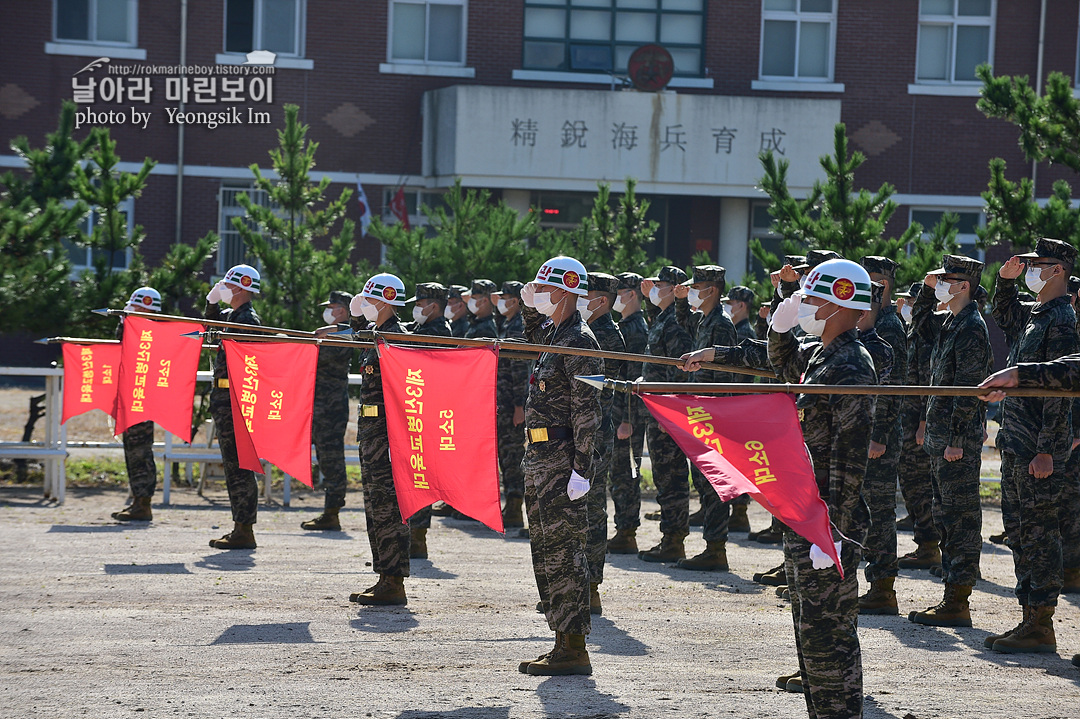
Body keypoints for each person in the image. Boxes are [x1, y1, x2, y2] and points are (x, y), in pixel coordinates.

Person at [768, 258, 876, 719]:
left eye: (811, 300)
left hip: (829, 520)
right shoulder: (822, 354)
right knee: (811, 636)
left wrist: (830, 528)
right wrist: (779, 325)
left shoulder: (850, 364)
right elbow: (781, 364)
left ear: (840, 305)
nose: (805, 307)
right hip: (807, 510)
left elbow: (849, 459)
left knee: (829, 635)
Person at [983, 239, 1080, 653]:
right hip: (1018, 440)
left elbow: (1061, 392)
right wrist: (1004, 283)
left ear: (1057, 270)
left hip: (1038, 447)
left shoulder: (1061, 320)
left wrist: (1048, 449)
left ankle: (1041, 622)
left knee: (1040, 533)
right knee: (1020, 530)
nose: (1031, 270)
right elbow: (1003, 315)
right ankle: (1029, 619)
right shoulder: (1036, 314)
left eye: (1038, 265)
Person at [516, 256, 602, 676]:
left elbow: (587, 412)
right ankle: (559, 639)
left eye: (545, 290)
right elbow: (530, 337)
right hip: (539, 458)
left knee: (565, 553)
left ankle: (574, 646)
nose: (540, 296)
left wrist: (582, 470)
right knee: (545, 552)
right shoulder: (555, 333)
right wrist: (530, 305)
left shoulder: (581, 341)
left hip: (562, 459)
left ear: (567, 291)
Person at [907, 255, 993, 628]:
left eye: (946, 280)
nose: (939, 283)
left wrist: (956, 437)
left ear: (964, 287)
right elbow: (919, 330)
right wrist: (926, 293)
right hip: (942, 437)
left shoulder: (971, 326)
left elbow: (967, 390)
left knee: (960, 520)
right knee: (945, 515)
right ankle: (951, 596)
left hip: (956, 441)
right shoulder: (951, 321)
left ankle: (958, 601)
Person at [348, 273, 412, 606]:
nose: (365, 306)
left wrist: (397, 443)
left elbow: (404, 394)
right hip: (372, 434)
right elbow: (355, 330)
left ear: (385, 301)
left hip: (388, 436)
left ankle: (395, 580)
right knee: (375, 506)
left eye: (369, 300)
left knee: (389, 507)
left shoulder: (396, 338)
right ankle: (384, 576)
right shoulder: (376, 334)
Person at [673, 265, 738, 571]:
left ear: (711, 290)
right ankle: (712, 546)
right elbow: (684, 323)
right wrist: (681, 301)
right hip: (703, 409)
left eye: (697, 287)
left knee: (714, 483)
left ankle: (716, 549)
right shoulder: (705, 320)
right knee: (704, 479)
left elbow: (723, 371)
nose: (693, 291)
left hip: (715, 411)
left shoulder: (722, 324)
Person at [858, 257, 908, 616]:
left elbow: (891, 389)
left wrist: (879, 435)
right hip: (865, 433)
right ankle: (874, 583)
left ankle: (882, 588)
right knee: (866, 509)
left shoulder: (888, 327)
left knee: (878, 511)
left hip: (881, 436)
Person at [638, 266, 694, 563]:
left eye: (660, 285)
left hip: (667, 410)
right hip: (656, 408)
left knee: (672, 476)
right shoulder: (664, 317)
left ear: (674, 288)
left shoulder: (675, 322)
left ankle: (675, 540)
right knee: (663, 474)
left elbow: (679, 370)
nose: (654, 288)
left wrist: (670, 411)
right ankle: (669, 537)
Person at [205, 265, 263, 550]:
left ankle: (245, 528)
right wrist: (211, 305)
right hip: (225, 400)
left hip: (238, 402)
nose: (223, 288)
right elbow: (209, 332)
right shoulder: (231, 317)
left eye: (227, 285)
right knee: (232, 464)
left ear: (241, 288)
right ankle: (240, 525)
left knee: (240, 465)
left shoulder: (247, 320)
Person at [578, 272, 625, 614]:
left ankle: (591, 586)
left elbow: (604, 393)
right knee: (576, 509)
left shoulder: (606, 335)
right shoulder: (581, 331)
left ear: (602, 300)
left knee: (592, 508)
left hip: (595, 433)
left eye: (587, 294)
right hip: (579, 429)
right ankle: (575, 584)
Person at [893, 282, 943, 570]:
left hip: (917, 426)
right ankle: (925, 545)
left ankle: (929, 546)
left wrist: (924, 423)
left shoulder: (925, 336)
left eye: (910, 301)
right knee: (912, 487)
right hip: (907, 422)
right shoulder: (911, 333)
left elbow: (928, 382)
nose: (905, 305)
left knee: (921, 487)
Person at [401, 282, 453, 556]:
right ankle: (410, 534)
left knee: (421, 478)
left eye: (420, 304)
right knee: (412, 476)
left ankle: (418, 538)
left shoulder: (438, 332)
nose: (416, 308)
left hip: (428, 415)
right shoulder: (422, 327)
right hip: (415, 411)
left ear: (433, 306)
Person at [301, 291, 355, 532]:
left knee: (332, 459)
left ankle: (332, 512)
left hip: (331, 408)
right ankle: (329, 512)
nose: (328, 311)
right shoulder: (331, 333)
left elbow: (316, 356)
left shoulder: (345, 334)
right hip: (319, 405)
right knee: (324, 459)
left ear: (342, 310)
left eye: (332, 307)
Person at [110, 287, 163, 523]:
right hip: (132, 395)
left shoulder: (154, 330)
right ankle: (138, 501)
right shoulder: (134, 326)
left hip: (143, 397)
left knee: (140, 450)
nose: (132, 311)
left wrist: (126, 325)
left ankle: (143, 503)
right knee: (132, 449)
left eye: (137, 307)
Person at [608, 272, 648, 554]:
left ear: (631, 294)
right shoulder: (625, 325)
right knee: (617, 473)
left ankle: (627, 531)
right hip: (617, 411)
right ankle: (623, 529)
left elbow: (633, 380)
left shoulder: (635, 329)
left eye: (619, 292)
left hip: (626, 416)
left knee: (625, 475)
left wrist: (628, 420)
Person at [493, 280, 529, 529]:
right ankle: (511, 504)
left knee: (513, 453)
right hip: (503, 402)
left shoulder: (517, 326)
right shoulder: (507, 323)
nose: (501, 302)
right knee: (506, 455)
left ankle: (515, 506)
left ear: (515, 301)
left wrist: (519, 405)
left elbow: (518, 368)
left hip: (511, 404)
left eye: (506, 298)